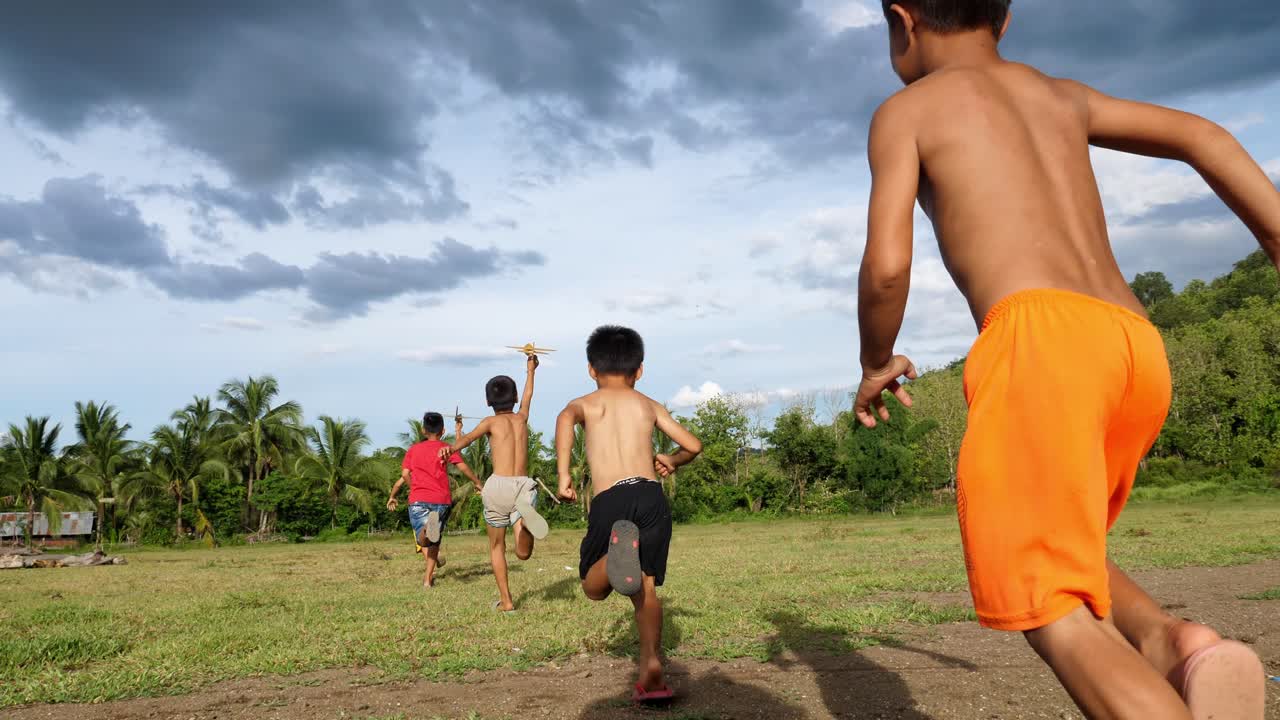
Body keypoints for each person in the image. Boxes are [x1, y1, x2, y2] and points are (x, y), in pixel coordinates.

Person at [854, 2, 1279, 718]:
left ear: (903, 22)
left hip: (1040, 341)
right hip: (1135, 343)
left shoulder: (908, 111)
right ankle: (1174, 645)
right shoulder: (1063, 95)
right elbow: (1201, 134)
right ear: (1006, 17)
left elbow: (888, 267)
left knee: (1049, 603)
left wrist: (874, 359)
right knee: (1062, 542)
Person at [555, 325, 702, 704]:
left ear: (591, 369)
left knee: (591, 585)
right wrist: (671, 458)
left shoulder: (585, 403)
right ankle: (652, 670)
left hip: (611, 499)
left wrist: (564, 475)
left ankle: (613, 556)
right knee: (646, 588)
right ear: (640, 370)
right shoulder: (648, 405)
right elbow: (693, 445)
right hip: (650, 495)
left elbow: (564, 418)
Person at [444, 354, 549, 612]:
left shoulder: (490, 422)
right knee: (523, 553)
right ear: (513, 398)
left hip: (498, 486)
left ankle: (507, 601)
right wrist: (531, 370)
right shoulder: (521, 418)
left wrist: (449, 449)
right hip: (523, 485)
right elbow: (528, 396)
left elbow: (466, 440)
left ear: (488, 401)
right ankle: (523, 525)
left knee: (496, 546)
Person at [387, 411, 481, 588]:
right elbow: (462, 467)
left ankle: (425, 532)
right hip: (441, 499)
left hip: (418, 499)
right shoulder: (446, 448)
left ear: (423, 430)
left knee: (423, 540)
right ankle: (427, 580)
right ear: (443, 430)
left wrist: (414, 486)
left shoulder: (413, 450)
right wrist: (477, 482)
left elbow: (405, 474)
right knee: (435, 541)